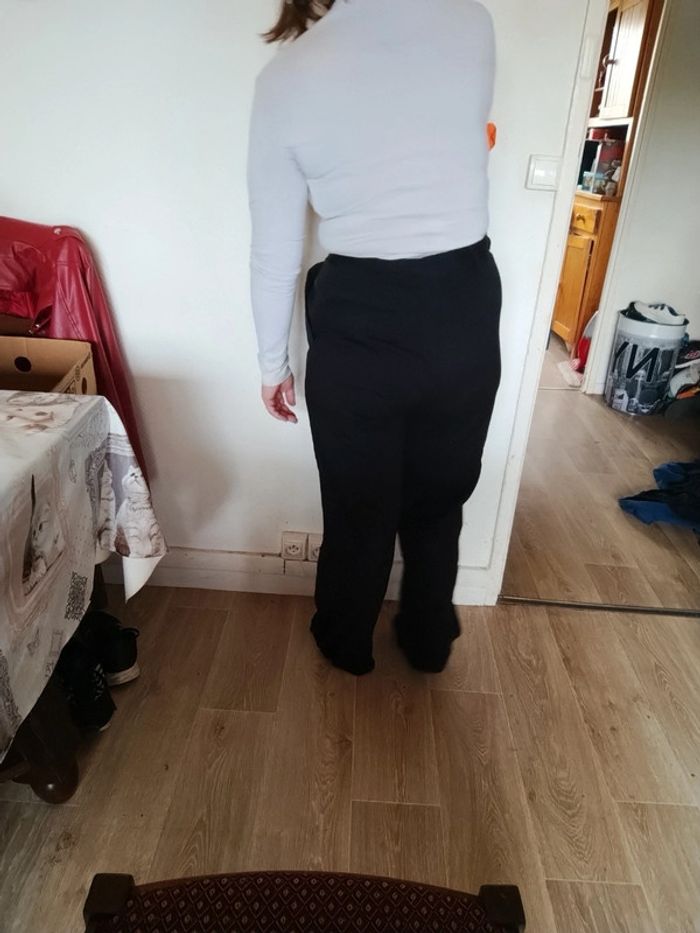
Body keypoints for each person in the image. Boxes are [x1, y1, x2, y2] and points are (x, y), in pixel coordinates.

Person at [248, 0, 501, 676]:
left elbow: (275, 250)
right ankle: (428, 638)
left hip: (360, 316)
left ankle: (346, 642)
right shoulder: (471, 22)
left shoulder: (287, 77)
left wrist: (273, 364)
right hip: (462, 307)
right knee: (439, 497)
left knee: (358, 506)